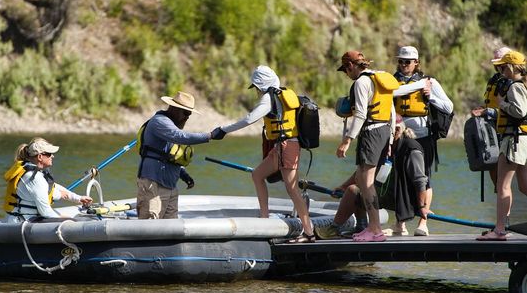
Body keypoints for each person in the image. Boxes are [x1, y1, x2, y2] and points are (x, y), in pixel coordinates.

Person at [211, 65, 315, 242]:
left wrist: (223, 130)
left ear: (261, 85)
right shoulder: (282, 93)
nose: (256, 91)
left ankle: (308, 233)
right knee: (257, 174)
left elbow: (250, 119)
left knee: (293, 190)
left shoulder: (269, 98)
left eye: (256, 87)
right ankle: (265, 219)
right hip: (281, 146)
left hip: (287, 146)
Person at [315, 116, 433, 239]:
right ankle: (361, 226)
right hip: (386, 192)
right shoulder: (383, 145)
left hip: (404, 199)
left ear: (396, 130)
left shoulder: (411, 149)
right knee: (356, 188)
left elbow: (420, 180)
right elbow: (363, 171)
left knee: (353, 190)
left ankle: (334, 229)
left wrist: (422, 207)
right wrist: (343, 186)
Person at [392, 45, 453, 236]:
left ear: (416, 63)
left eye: (407, 62)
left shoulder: (429, 82)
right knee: (398, 177)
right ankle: (400, 223)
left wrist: (430, 97)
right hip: (399, 136)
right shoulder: (392, 81)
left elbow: (449, 107)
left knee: (424, 178)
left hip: (423, 136)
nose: (403, 65)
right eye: (400, 61)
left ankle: (423, 222)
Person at [336, 51, 397, 242]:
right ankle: (372, 226)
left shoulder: (361, 83)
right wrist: (391, 138)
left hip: (371, 132)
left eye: (346, 70)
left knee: (366, 180)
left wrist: (347, 141)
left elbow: (361, 114)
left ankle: (375, 229)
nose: (347, 75)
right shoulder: (379, 79)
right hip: (384, 130)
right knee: (363, 179)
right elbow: (391, 110)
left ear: (351, 66)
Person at [137, 91, 216, 219]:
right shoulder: (160, 122)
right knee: (149, 226)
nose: (187, 117)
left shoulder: (172, 126)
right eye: (185, 113)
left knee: (170, 229)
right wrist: (210, 136)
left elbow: (169, 155)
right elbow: (180, 137)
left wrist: (183, 174)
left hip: (171, 186)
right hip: (153, 185)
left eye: (189, 114)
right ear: (174, 108)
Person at [475, 51, 527, 241]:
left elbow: (520, 111)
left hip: (513, 140)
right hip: (522, 139)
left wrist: (503, 104)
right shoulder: (522, 85)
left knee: (503, 185)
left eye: (503, 67)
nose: (501, 70)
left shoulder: (515, 86)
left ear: (512, 68)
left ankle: (499, 230)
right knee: (524, 185)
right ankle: (501, 228)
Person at [3, 137, 93, 222]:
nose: (52, 156)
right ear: (40, 157)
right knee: (72, 221)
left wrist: (78, 198)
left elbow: (54, 187)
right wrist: (66, 219)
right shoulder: (34, 178)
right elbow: (45, 212)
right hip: (24, 221)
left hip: (28, 218)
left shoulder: (36, 173)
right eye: (49, 154)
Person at [471, 46, 513, 188]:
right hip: (492, 133)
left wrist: (486, 112)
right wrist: (483, 109)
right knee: (497, 181)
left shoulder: (514, 83)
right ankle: (501, 207)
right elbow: (492, 104)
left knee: (515, 183)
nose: (498, 68)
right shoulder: (494, 80)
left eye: (501, 65)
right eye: (496, 65)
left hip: (508, 133)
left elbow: (514, 111)